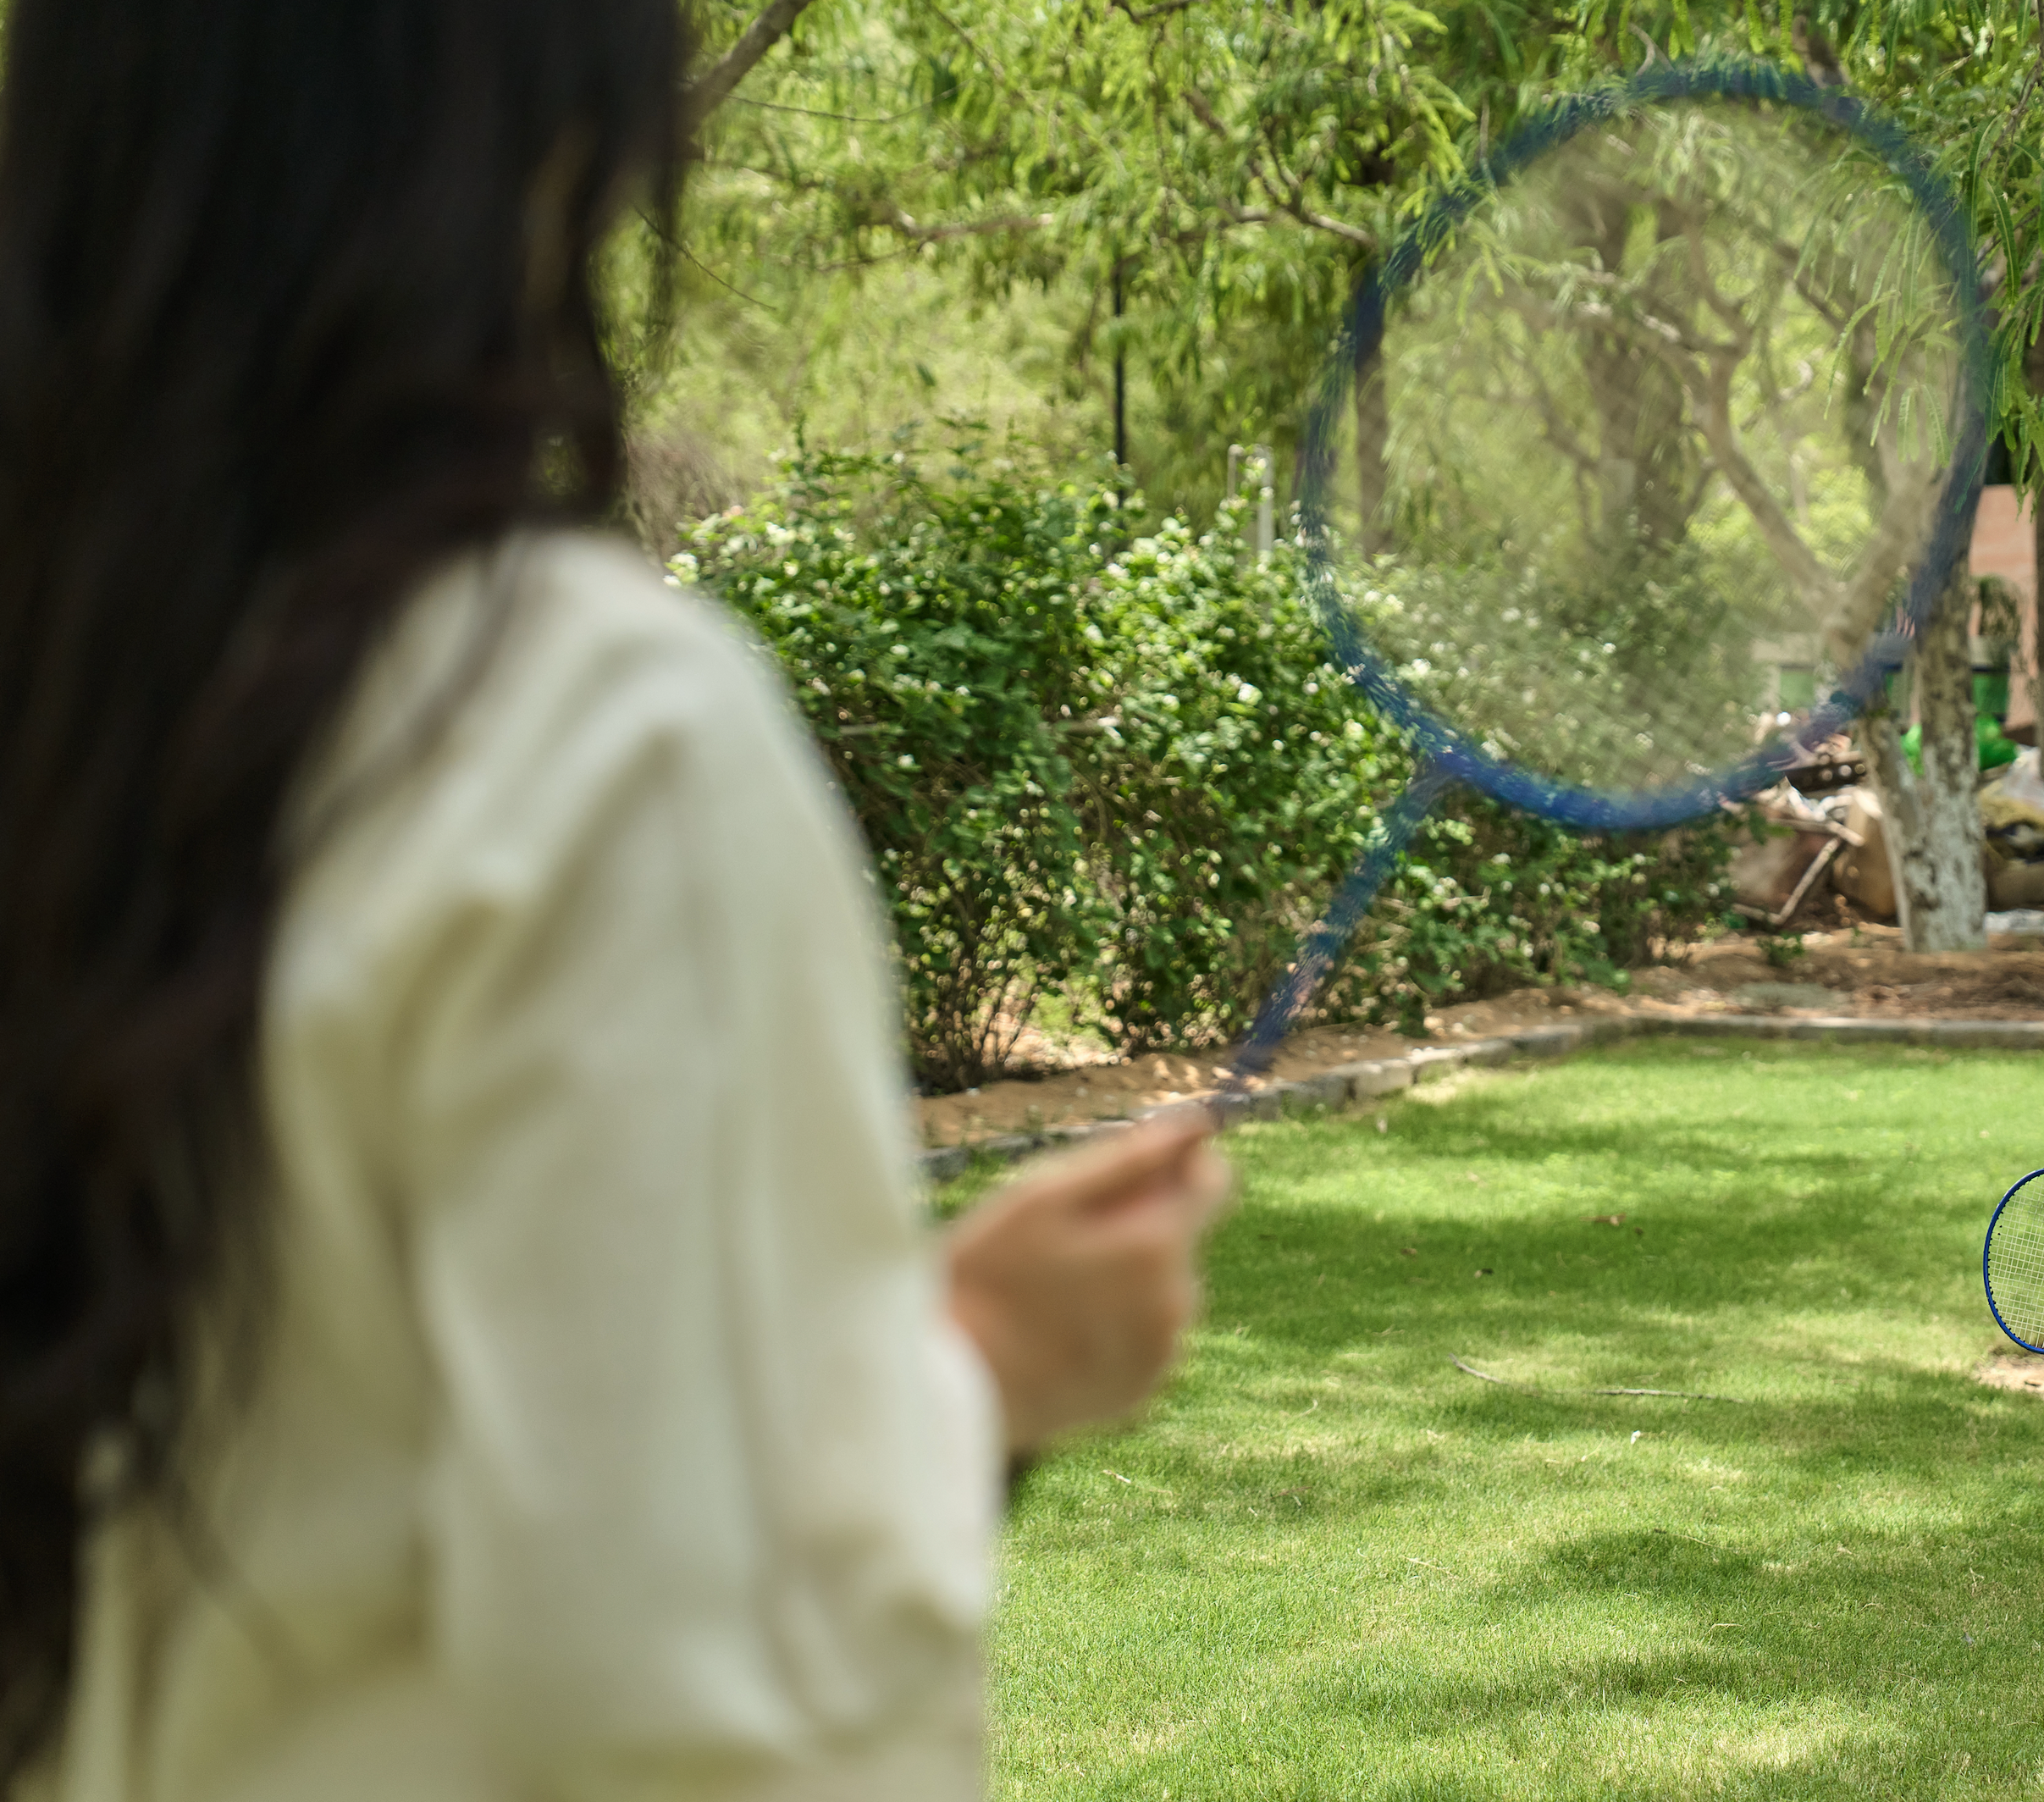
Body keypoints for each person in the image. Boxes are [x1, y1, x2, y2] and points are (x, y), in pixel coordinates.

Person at [0, 3, 1224, 1795]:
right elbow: (681, 1716)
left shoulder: (71, 723)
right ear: (552, 126)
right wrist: (982, 1366)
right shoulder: (587, 738)